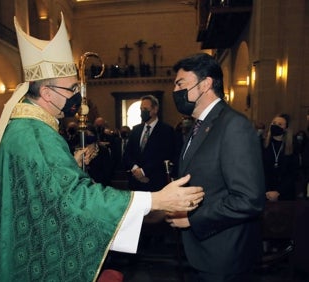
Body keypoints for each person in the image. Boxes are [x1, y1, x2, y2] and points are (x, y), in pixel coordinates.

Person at [0, 13, 204, 282]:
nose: (76, 94)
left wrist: (70, 164)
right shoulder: (35, 134)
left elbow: (41, 185)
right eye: (71, 88)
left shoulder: (26, 128)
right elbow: (75, 197)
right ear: (47, 93)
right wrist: (154, 200)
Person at [167, 53, 265, 282]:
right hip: (200, 253)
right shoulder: (199, 126)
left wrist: (192, 219)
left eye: (180, 83)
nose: (175, 91)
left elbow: (249, 199)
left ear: (206, 84)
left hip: (223, 257)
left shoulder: (233, 125)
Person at [123, 95, 176, 192]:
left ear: (155, 109)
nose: (142, 112)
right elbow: (127, 153)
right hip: (135, 183)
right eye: (141, 109)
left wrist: (144, 172)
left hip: (155, 183)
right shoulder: (135, 130)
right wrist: (136, 170)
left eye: (145, 109)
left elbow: (164, 155)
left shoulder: (166, 130)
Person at [262, 114, 299, 201]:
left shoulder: (293, 147)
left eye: (280, 124)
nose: (275, 126)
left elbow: (293, 173)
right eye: (274, 123)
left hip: (285, 193)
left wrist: (278, 192)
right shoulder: (263, 144)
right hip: (265, 192)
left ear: (286, 128)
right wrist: (267, 191)